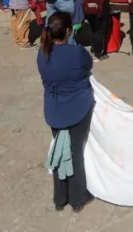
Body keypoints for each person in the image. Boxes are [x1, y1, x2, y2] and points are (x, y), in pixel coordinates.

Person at [38, 12, 95, 213]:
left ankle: (60, 197)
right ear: (69, 31)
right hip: (77, 109)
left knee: (60, 149)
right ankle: (78, 197)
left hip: (54, 110)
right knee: (74, 152)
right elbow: (89, 65)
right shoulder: (77, 53)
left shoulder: (42, 53)